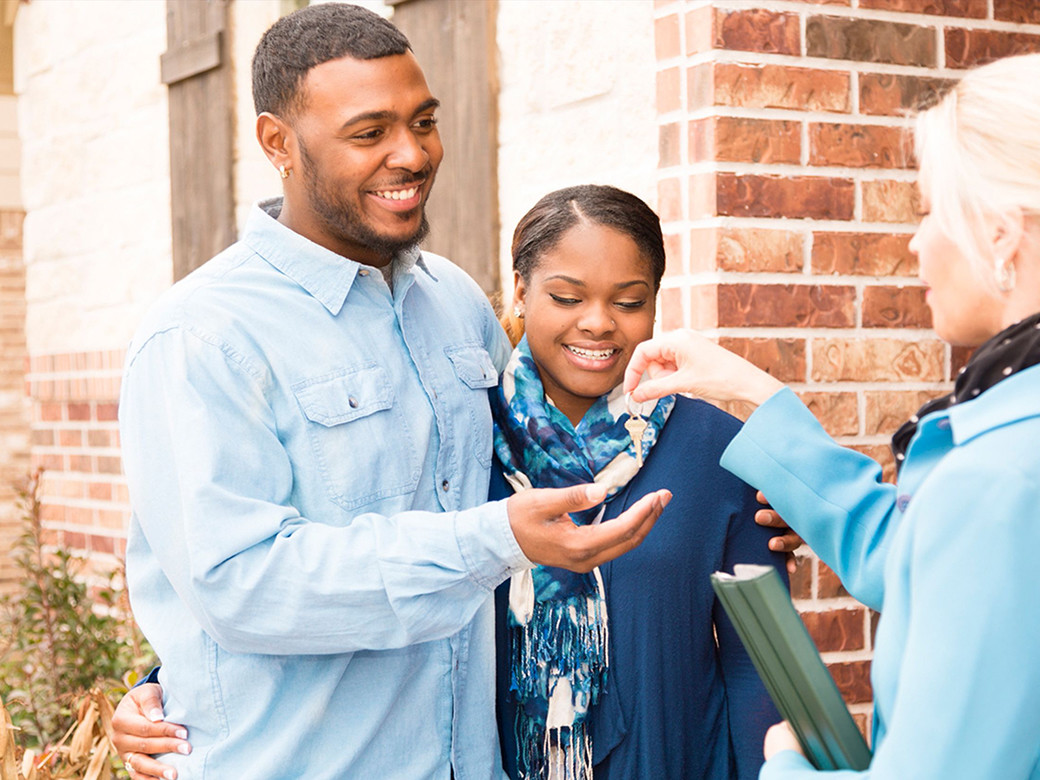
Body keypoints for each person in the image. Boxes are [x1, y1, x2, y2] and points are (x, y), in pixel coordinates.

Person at [116, 6, 669, 779]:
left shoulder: (456, 304)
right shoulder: (200, 337)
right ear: (279, 143)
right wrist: (490, 541)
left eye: (424, 121)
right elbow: (237, 585)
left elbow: (550, 451)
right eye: (369, 132)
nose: (411, 154)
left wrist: (742, 495)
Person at [622, 52, 1040, 779]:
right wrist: (753, 389)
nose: (916, 240)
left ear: (1000, 233)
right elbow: (902, 554)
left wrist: (785, 765)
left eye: (930, 209)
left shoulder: (999, 483)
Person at [488, 185, 786, 779]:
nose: (597, 324)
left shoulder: (722, 450)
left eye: (628, 301)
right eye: (568, 297)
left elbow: (762, 665)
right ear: (521, 289)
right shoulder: (464, 442)